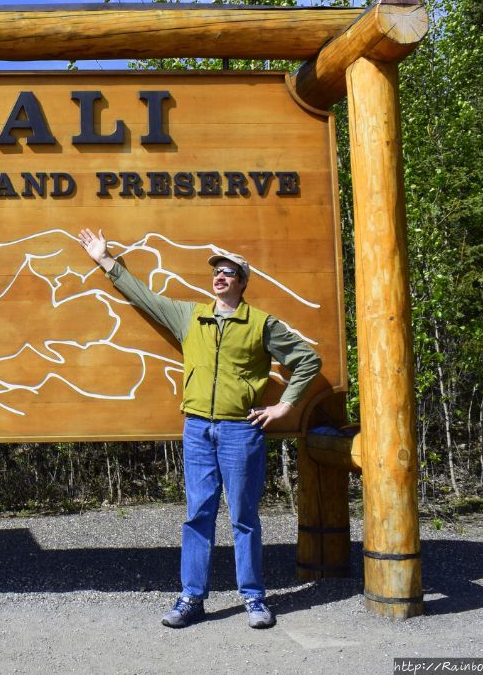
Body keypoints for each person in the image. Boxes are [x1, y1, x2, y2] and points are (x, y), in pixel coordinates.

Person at [76, 228, 321, 630]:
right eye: (216, 273)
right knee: (198, 515)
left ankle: (254, 599)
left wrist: (284, 406)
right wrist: (105, 260)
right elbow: (145, 298)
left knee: (243, 516)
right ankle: (191, 598)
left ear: (242, 282)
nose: (220, 277)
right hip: (197, 430)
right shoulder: (192, 315)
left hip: (241, 431)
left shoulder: (261, 324)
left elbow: (307, 360)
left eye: (228, 272)